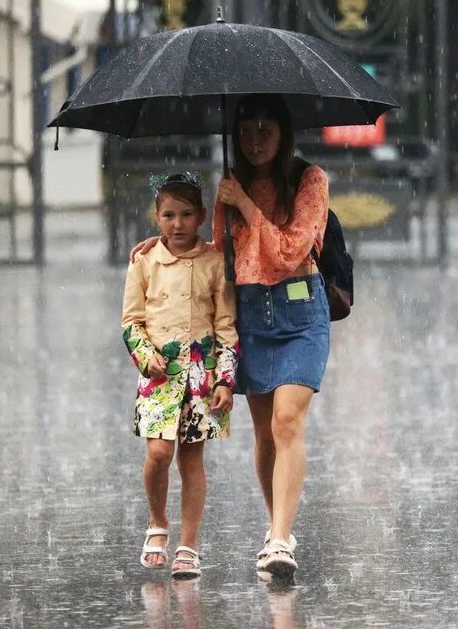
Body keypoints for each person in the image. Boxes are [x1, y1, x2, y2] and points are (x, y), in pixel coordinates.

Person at [130, 94, 330, 579]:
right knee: (264, 434)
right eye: (246, 129)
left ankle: (280, 540)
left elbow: (290, 250)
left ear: (282, 132)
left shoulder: (309, 180)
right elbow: (222, 255)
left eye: (265, 128)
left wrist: (244, 203)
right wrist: (168, 244)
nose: (255, 138)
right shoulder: (230, 186)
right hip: (252, 318)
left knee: (286, 422)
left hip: (300, 312)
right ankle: (275, 523)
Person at [121, 173, 238, 579]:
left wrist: (225, 379)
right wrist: (145, 356)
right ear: (156, 217)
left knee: (192, 460)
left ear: (202, 216)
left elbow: (226, 326)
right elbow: (131, 322)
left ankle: (189, 544)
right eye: (169, 215)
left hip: (201, 377)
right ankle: (157, 522)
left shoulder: (215, 262)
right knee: (158, 454)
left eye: (187, 215)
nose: (178, 224)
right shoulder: (144, 261)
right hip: (159, 377)